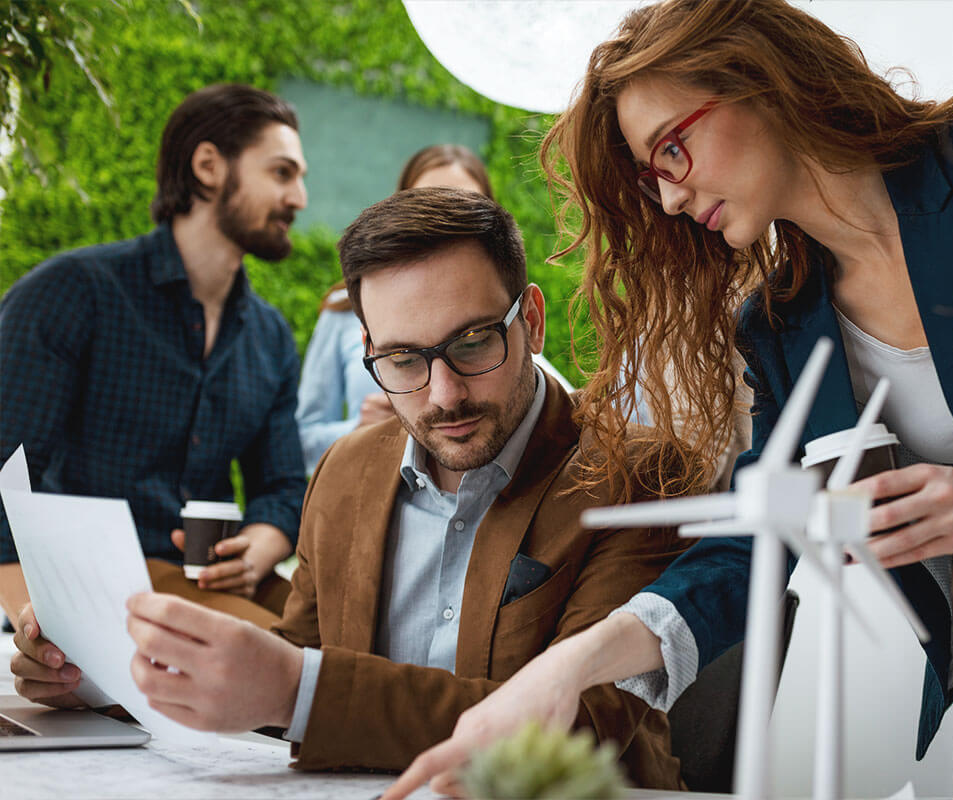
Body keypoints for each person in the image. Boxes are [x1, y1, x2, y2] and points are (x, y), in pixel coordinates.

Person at [386, 1, 953, 797]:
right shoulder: (779, 324)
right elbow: (764, 536)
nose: (668, 197)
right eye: (650, 174)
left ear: (758, 80)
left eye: (672, 148)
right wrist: (576, 663)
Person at [11, 188, 691, 787]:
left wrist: (295, 687)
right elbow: (293, 695)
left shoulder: (639, 476)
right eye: (402, 359)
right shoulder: (346, 472)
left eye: (474, 343)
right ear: (368, 348)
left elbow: (583, 729)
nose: (443, 394)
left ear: (532, 321)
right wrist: (110, 683)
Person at [0, 84, 309, 641]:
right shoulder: (73, 293)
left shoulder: (270, 337)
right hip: (100, 583)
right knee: (302, 665)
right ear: (209, 166)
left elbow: (283, 485)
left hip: (219, 582)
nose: (300, 197)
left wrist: (259, 545)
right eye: (283, 173)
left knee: (358, 640)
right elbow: (5, 475)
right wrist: (47, 635)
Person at [295, 144, 495, 473]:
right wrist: (358, 430)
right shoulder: (343, 310)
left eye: (465, 207)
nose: (446, 226)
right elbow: (301, 440)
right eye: (402, 357)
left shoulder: (503, 315)